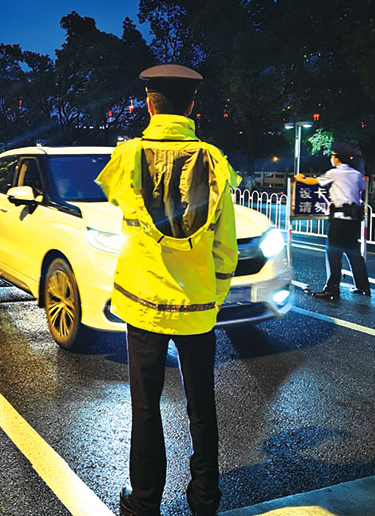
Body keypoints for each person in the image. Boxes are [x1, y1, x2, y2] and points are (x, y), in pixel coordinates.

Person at [96, 64, 238, 516]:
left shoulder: (128, 157)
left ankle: (143, 503)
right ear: (192, 105)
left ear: (149, 104)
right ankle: (205, 500)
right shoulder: (215, 163)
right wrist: (212, 298)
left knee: (146, 408)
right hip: (197, 306)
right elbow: (224, 246)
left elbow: (115, 198)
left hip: (143, 307)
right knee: (202, 407)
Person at [295, 141, 371, 299]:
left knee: (334, 254)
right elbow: (363, 186)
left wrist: (300, 178)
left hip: (339, 220)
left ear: (337, 159)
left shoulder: (335, 173)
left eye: (332, 156)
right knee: (354, 253)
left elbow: (314, 182)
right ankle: (363, 286)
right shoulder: (356, 174)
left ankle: (332, 289)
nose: (331, 158)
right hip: (353, 220)